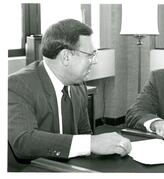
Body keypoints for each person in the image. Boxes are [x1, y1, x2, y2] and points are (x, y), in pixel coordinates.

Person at [8, 19, 131, 160]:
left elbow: (85, 134)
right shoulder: (17, 85)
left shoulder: (79, 87)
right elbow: (23, 142)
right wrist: (90, 143)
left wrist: (106, 146)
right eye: (90, 55)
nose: (94, 61)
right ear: (66, 57)